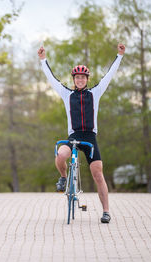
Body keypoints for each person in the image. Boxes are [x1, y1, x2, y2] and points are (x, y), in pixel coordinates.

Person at [38, 43, 125, 223]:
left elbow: (109, 75)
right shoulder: (66, 94)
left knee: (98, 174)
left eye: (83, 77)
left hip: (90, 137)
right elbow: (51, 78)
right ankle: (63, 178)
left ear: (86, 79)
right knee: (61, 155)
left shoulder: (96, 93)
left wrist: (120, 56)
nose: (80, 80)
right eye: (77, 77)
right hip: (74, 136)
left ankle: (106, 211)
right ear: (74, 79)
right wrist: (43, 59)